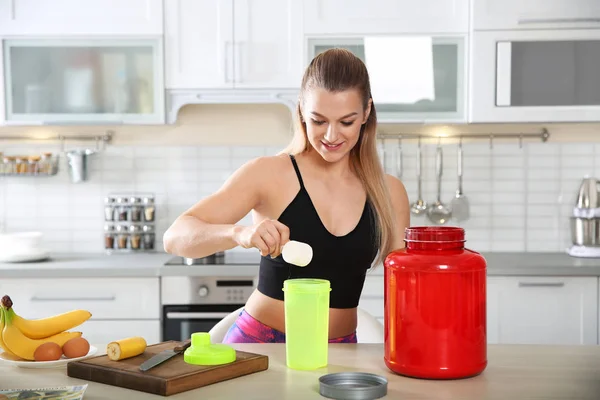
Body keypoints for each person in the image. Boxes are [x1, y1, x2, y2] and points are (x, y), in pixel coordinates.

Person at [163, 48, 410, 344]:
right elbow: (175, 237)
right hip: (261, 346)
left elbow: (405, 289)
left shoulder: (388, 192)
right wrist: (240, 233)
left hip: (341, 353)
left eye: (346, 121)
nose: (331, 136)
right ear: (301, 111)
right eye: (318, 120)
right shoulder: (269, 173)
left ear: (366, 113)